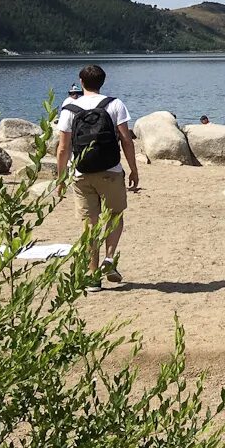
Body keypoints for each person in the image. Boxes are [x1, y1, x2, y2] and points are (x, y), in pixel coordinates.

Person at [53, 64, 139, 292]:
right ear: (102, 81)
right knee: (115, 215)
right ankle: (109, 259)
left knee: (89, 225)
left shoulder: (69, 106)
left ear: (81, 81)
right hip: (111, 171)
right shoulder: (114, 104)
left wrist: (60, 178)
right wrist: (133, 168)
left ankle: (93, 278)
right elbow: (126, 140)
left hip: (82, 174)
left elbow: (63, 147)